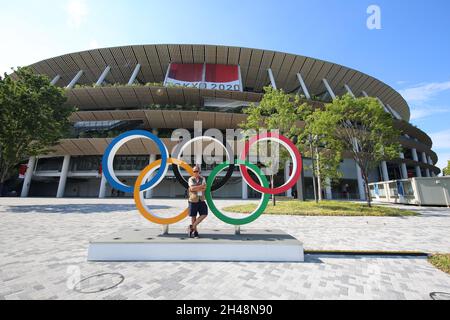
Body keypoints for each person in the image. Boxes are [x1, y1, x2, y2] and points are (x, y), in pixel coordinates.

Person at [187, 166, 208, 238]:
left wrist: (195, 188)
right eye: (194, 171)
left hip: (201, 199)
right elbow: (191, 188)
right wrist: (200, 186)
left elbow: (205, 188)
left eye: (196, 171)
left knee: (204, 213)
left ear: (199, 172)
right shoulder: (191, 179)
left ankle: (192, 227)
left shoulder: (203, 178)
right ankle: (195, 232)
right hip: (193, 200)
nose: (195, 173)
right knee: (193, 216)